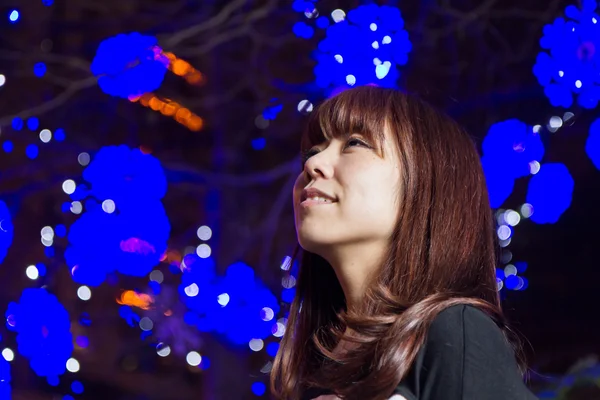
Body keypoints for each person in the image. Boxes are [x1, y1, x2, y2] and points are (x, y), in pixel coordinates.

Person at [269, 86, 538, 400]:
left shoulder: (454, 331)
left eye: (354, 143)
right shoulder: (314, 372)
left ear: (426, 180)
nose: (312, 165)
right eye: (312, 151)